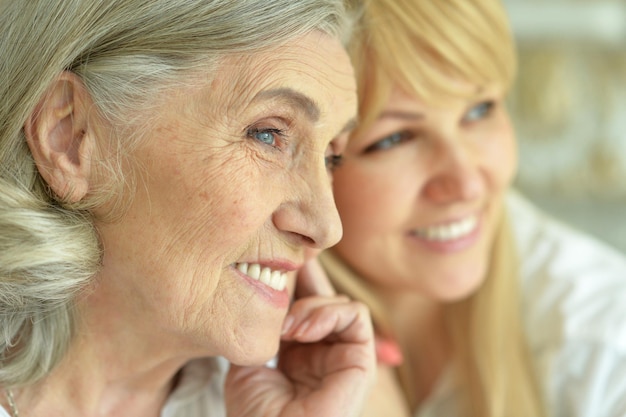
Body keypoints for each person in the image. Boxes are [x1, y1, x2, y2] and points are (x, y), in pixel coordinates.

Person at [0, 1, 377, 416]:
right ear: (69, 137)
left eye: (331, 158)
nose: (327, 227)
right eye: (267, 135)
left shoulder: (274, 398)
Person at [319, 0, 626, 416]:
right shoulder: (224, 358)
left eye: (479, 110)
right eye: (395, 139)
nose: (465, 183)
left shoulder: (602, 343)